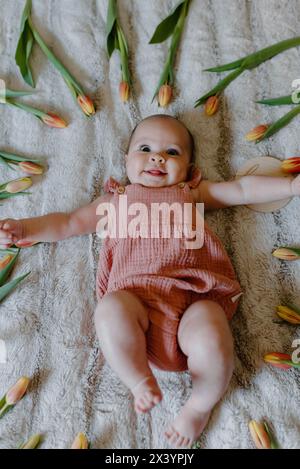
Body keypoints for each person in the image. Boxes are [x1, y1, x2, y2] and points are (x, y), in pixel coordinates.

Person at [0, 114, 299, 449]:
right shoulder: (115, 201)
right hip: (135, 305)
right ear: (126, 160)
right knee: (109, 310)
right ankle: (138, 378)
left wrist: (289, 186)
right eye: (145, 148)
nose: (158, 157)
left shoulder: (190, 193)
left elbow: (242, 189)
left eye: (172, 152)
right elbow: (69, 223)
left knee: (213, 329)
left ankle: (198, 406)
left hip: (193, 300)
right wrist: (25, 229)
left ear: (189, 168)